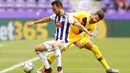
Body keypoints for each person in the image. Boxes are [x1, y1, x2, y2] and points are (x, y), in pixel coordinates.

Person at [37, 11, 119, 73]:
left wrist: (82, 41)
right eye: (95, 18)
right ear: (93, 15)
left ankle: (107, 69)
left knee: (94, 48)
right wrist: (74, 19)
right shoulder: (83, 15)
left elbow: (86, 37)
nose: (95, 20)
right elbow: (71, 16)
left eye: (97, 20)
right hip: (68, 35)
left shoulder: (93, 26)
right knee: (57, 52)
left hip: (77, 37)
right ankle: (42, 69)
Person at [27, 1, 94, 73]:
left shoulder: (68, 16)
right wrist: (34, 23)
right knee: (37, 49)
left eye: (54, 9)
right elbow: (46, 19)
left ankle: (59, 68)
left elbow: (78, 25)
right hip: (55, 41)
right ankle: (48, 69)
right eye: (52, 9)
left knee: (55, 45)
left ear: (60, 7)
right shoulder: (55, 16)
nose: (53, 10)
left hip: (63, 42)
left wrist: (87, 32)